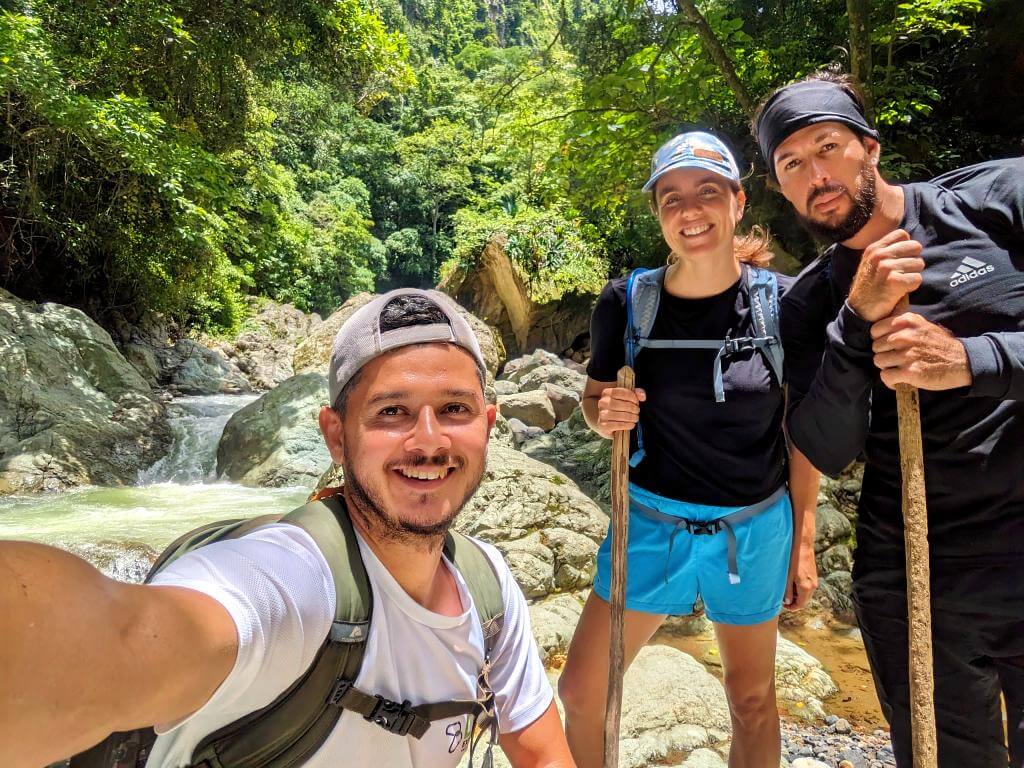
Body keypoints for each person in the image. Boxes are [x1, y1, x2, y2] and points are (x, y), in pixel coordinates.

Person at [0, 289, 575, 768]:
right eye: (391, 412)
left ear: (489, 424)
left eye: (454, 409)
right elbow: (126, 637)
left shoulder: (488, 586)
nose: (428, 440)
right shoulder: (294, 578)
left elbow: (544, 754)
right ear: (336, 434)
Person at [752, 68, 1024, 767]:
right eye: (792, 164)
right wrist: (856, 323)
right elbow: (825, 444)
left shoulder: (999, 201)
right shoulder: (809, 306)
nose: (816, 174)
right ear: (780, 188)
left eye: (828, 147)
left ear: (870, 147)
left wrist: (971, 358)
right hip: (914, 575)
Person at [556, 131, 821, 768]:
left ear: (736, 202)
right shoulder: (627, 304)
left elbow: (802, 429)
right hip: (649, 522)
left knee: (752, 699)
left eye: (707, 192)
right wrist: (603, 415)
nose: (689, 210)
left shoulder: (783, 305)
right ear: (657, 214)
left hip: (754, 527)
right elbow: (596, 402)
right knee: (581, 691)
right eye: (671, 198)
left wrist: (804, 539)